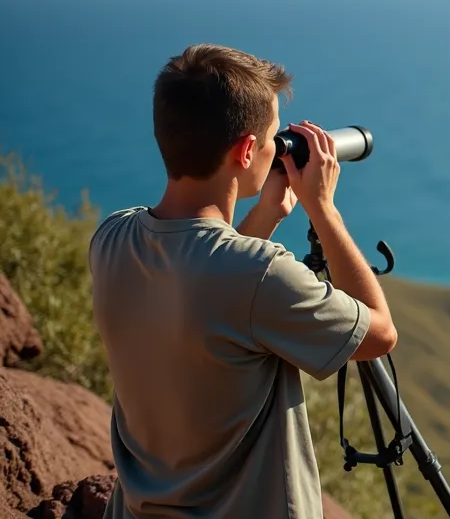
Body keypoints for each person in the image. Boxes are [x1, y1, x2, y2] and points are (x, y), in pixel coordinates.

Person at [89, 44, 399, 518]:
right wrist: (323, 209)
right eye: (274, 138)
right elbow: (379, 334)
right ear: (249, 150)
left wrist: (265, 216)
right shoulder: (259, 273)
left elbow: (205, 284)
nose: (279, 149)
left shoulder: (111, 239)